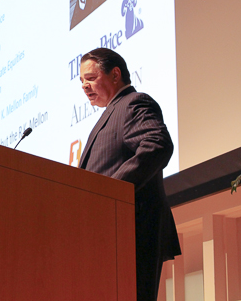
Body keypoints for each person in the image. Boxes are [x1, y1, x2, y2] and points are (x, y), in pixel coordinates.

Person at [78, 48, 181, 301]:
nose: (84, 86)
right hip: (105, 234)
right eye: (81, 81)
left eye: (90, 78)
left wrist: (109, 192)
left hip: (130, 231)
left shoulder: (133, 103)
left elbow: (157, 145)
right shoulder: (110, 113)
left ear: (115, 74)